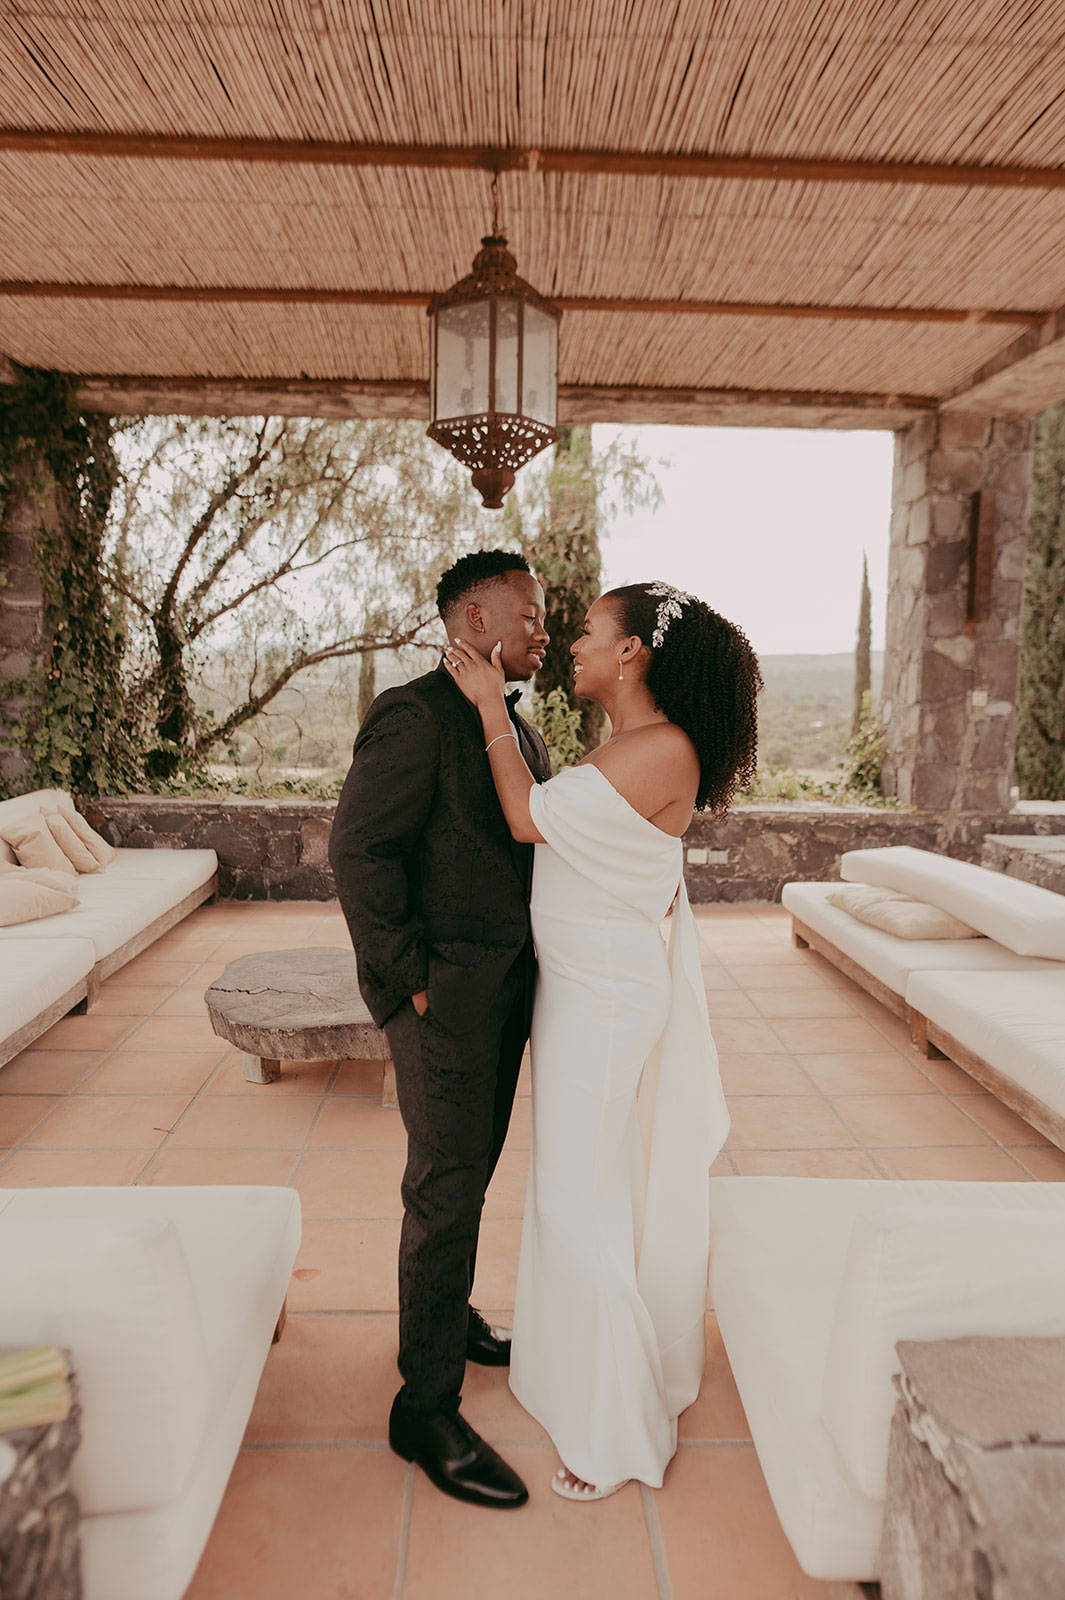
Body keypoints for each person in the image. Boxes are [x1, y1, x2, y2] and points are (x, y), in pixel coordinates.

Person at [443, 579, 761, 1500]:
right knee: (581, 1190)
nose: (572, 644)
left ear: (630, 652)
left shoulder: (661, 750)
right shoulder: (629, 745)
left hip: (606, 999)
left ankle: (617, 1429)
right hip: (582, 992)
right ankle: (574, 1371)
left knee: (579, 1200)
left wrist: (489, 707)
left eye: (587, 631)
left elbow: (525, 817)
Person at [329, 549, 552, 1510]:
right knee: (445, 1186)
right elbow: (357, 851)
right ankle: (424, 1406)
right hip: (445, 998)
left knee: (472, 1168)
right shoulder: (415, 715)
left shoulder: (511, 721)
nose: (545, 628)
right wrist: (412, 983)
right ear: (472, 620)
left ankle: (446, 1314)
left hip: (504, 992)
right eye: (530, 613)